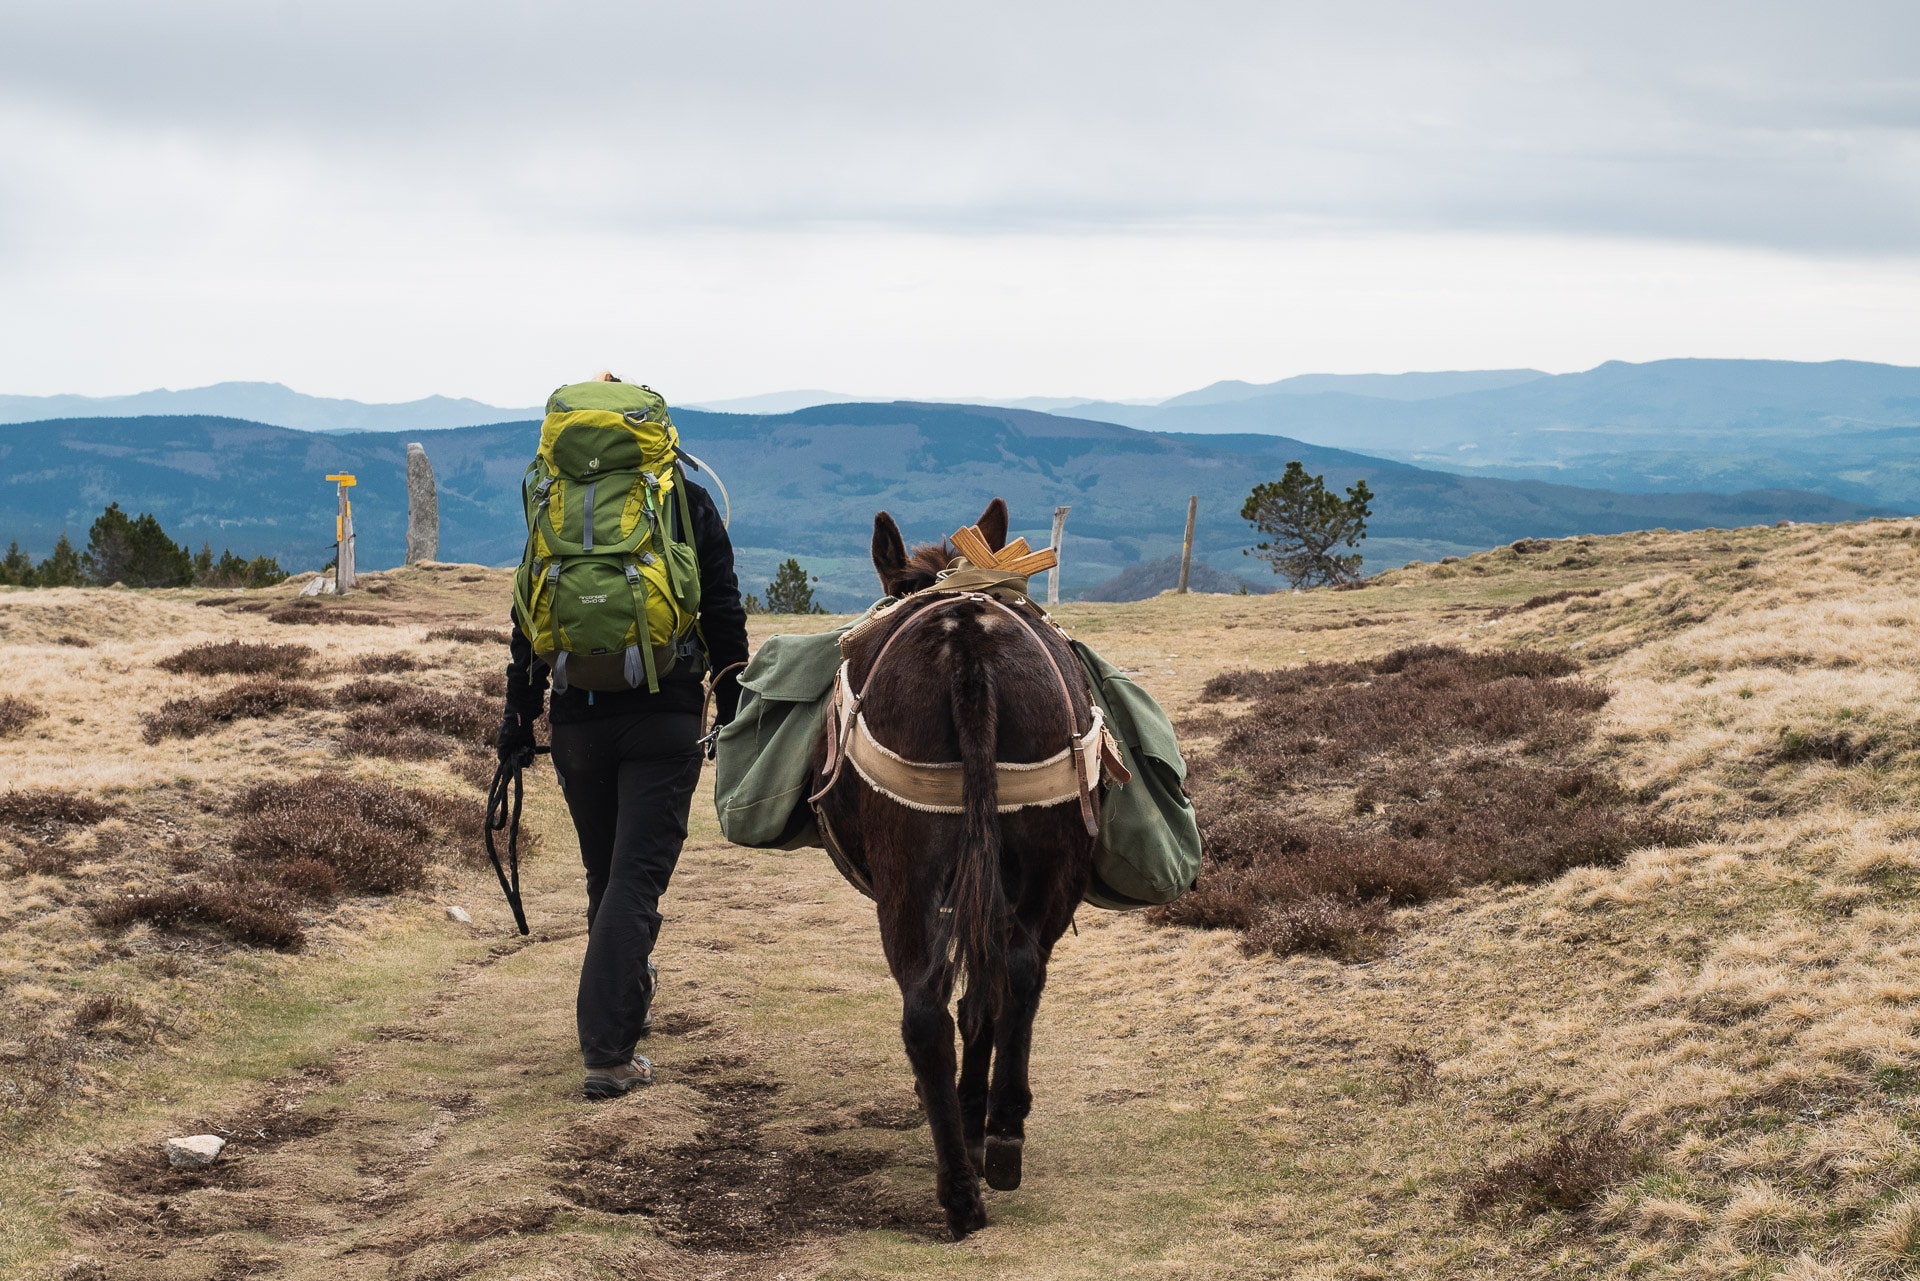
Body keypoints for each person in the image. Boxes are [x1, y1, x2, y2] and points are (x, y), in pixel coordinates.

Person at [496, 371, 748, 1100]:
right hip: (665, 712)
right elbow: (723, 611)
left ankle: (623, 1010)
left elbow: (527, 610)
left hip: (578, 716)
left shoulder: (555, 507)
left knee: (608, 876)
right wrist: (731, 706)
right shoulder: (684, 500)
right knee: (636, 879)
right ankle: (607, 1050)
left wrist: (519, 714)